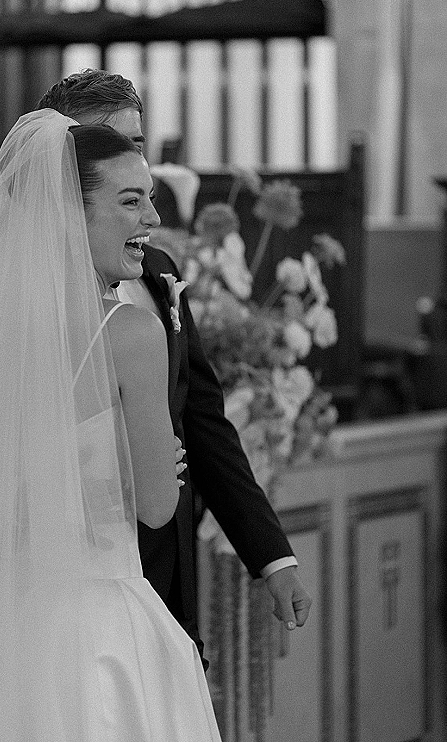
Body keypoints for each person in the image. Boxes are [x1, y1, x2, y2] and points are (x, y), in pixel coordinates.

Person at [0, 111, 222, 741]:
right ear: (70, 215)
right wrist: (148, 463)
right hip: (96, 632)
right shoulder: (131, 334)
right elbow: (159, 507)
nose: (151, 221)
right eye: (132, 202)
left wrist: (11, 496)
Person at [36, 70, 312, 657]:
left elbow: (203, 420)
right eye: (111, 144)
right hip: (54, 584)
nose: (134, 160)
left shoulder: (155, 271)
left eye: (137, 143)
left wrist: (270, 554)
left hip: (157, 579)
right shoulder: (7, 296)